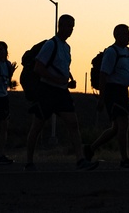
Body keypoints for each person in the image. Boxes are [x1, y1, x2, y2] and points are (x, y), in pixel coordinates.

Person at [24, 14, 97, 171]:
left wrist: (67, 82)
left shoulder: (66, 47)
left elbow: (63, 68)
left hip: (61, 93)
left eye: (72, 27)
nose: (70, 30)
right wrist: (56, 80)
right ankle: (29, 162)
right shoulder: (51, 45)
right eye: (68, 26)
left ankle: (80, 160)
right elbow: (38, 67)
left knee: (73, 123)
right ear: (60, 26)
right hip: (47, 91)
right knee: (37, 126)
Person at [87, 24, 129, 169]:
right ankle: (124, 159)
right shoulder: (111, 52)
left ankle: (91, 149)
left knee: (117, 128)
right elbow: (103, 75)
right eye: (125, 34)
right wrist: (102, 98)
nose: (128, 37)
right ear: (117, 35)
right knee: (123, 123)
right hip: (113, 91)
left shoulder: (128, 52)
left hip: (123, 91)